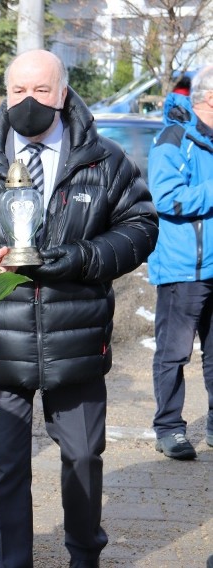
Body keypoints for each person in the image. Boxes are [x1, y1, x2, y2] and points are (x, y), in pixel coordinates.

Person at [0, 50, 158, 567]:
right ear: (4, 93)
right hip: (1, 335)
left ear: (62, 93)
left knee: (83, 456)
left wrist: (81, 258)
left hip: (76, 334)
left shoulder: (103, 160)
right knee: (8, 463)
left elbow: (140, 227)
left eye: (41, 91)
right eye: (18, 91)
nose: (28, 101)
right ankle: (12, 559)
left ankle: (85, 553)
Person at [147, 66, 213, 460]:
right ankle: (169, 427)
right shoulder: (174, 137)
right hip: (183, 268)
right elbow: (168, 198)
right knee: (174, 353)